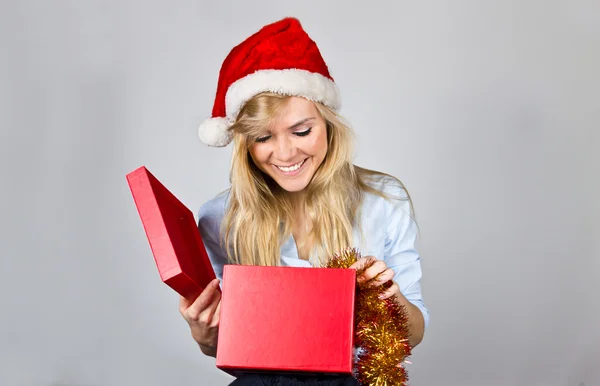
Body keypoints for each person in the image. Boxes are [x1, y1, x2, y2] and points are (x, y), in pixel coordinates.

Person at [179, 17, 429, 385]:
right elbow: (236, 351)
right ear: (245, 143)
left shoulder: (383, 200)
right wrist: (205, 337)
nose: (284, 153)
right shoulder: (221, 218)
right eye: (263, 137)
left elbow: (415, 333)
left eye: (301, 131)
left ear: (327, 123)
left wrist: (388, 297)